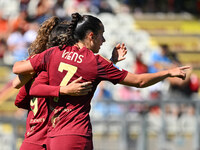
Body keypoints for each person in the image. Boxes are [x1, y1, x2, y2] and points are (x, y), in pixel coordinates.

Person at [12, 12, 190, 150]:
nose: (103, 40)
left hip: (52, 136)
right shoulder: (96, 62)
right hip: (75, 134)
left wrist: (110, 62)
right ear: (91, 36)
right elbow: (139, 82)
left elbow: (23, 84)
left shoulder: (53, 54)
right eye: (101, 35)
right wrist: (168, 72)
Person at [13, 15, 127, 150]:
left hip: (31, 141)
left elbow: (20, 99)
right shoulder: (50, 73)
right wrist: (63, 90)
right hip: (48, 141)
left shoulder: (40, 72)